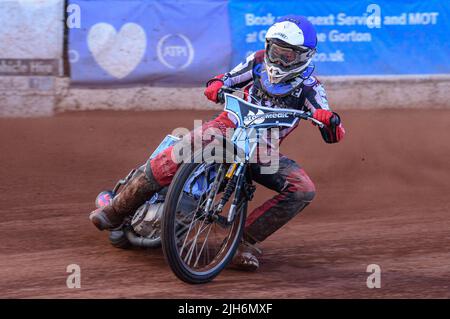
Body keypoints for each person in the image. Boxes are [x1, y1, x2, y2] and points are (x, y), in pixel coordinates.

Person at [89, 15, 345, 271]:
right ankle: (117, 210)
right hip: (228, 125)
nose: (278, 60)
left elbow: (334, 133)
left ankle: (243, 243)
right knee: (179, 151)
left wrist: (330, 121)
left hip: (262, 150)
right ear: (267, 47)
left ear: (303, 56)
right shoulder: (257, 62)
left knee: (302, 189)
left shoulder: (311, 88)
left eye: (287, 55)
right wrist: (217, 85)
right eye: (275, 51)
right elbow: (226, 79)